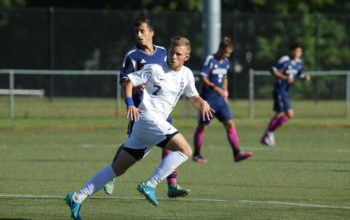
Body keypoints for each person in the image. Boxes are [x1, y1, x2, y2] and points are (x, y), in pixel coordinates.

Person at [65, 36, 213, 220]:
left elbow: (194, 96)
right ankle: (150, 184)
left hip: (147, 127)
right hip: (148, 118)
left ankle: (77, 197)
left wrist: (202, 103)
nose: (173, 56)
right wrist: (130, 104)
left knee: (117, 169)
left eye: (178, 54)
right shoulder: (155, 68)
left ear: (186, 57)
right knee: (185, 150)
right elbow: (128, 81)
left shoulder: (187, 74)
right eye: (171, 52)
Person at [104, 18, 190, 198]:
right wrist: (134, 93)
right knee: (133, 147)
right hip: (142, 109)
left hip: (162, 108)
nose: (139, 35)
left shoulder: (164, 52)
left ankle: (172, 185)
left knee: (173, 145)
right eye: (136, 32)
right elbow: (125, 81)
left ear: (152, 33)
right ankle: (112, 174)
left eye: (142, 31)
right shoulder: (132, 55)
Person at [192, 37, 253, 163]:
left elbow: (225, 77)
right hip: (208, 100)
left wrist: (225, 92)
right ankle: (197, 154)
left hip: (220, 101)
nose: (227, 55)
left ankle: (237, 153)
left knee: (230, 124)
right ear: (220, 49)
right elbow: (203, 76)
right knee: (203, 127)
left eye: (229, 53)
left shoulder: (226, 62)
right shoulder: (210, 59)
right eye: (226, 52)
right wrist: (215, 88)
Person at [260, 43, 310, 146]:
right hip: (279, 90)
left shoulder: (299, 63)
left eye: (300, 51)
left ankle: (267, 135)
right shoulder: (285, 60)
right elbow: (273, 70)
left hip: (285, 92)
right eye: (296, 51)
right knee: (289, 114)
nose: (298, 53)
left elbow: (300, 74)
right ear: (291, 51)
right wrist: (284, 77)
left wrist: (305, 77)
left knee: (278, 114)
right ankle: (269, 134)